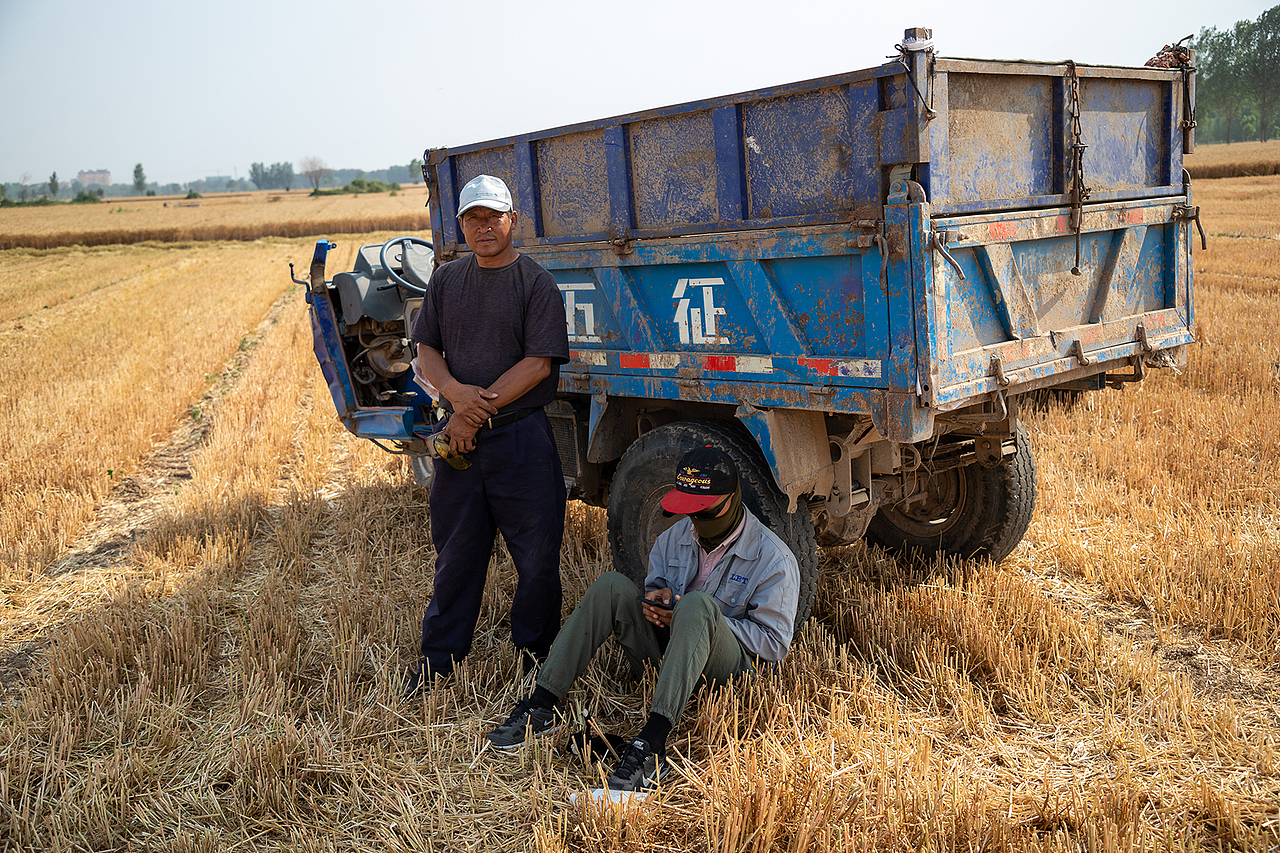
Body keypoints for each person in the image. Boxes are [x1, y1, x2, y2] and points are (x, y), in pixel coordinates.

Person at [486, 445, 800, 799]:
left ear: (732, 497)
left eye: (705, 510)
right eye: (691, 511)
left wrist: (693, 614)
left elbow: (774, 645)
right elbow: (657, 589)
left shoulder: (774, 558)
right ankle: (542, 704)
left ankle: (651, 744)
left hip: (724, 676)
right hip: (666, 657)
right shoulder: (672, 537)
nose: (696, 519)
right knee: (611, 585)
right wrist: (659, 602)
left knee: (696, 605)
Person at [402, 174, 570, 695]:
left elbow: (538, 365)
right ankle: (440, 660)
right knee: (455, 555)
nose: (483, 227)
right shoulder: (447, 281)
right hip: (461, 443)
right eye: (473, 218)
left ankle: (537, 661)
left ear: (512, 220)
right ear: (461, 226)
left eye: (492, 217)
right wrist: (453, 392)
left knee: (538, 559)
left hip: (520, 441)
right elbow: (425, 349)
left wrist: (469, 416)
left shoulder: (536, 284)